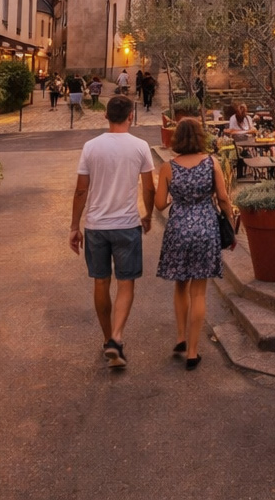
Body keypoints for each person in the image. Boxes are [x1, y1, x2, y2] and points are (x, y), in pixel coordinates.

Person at [69, 96, 156, 369]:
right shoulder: (141, 146)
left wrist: (74, 226)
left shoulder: (91, 147)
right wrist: (148, 214)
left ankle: (108, 338)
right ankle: (117, 338)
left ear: (105, 116)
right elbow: (149, 188)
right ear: (131, 116)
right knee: (126, 283)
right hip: (127, 224)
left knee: (100, 282)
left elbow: (81, 189)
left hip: (96, 226)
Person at [155, 117, 233, 370]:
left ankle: (180, 337)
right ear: (201, 137)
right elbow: (222, 197)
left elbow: (159, 204)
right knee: (199, 291)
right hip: (205, 228)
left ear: (177, 138)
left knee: (180, 284)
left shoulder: (168, 167)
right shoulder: (211, 163)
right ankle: (192, 351)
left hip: (178, 229)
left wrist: (173, 199)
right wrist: (230, 225)